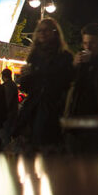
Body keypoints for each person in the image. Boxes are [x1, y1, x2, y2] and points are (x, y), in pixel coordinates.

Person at [12, 18, 74, 153]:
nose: (42, 33)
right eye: (39, 30)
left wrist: (40, 74)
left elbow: (65, 82)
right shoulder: (34, 56)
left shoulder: (64, 56)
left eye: (46, 30)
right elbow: (27, 87)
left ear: (54, 33)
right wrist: (25, 76)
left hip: (54, 108)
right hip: (34, 108)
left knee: (49, 148)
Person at [0, 68, 19, 146]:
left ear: (3, 76)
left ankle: (5, 154)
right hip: (11, 115)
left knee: (5, 137)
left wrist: (2, 112)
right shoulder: (12, 85)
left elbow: (7, 101)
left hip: (7, 116)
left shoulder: (8, 86)